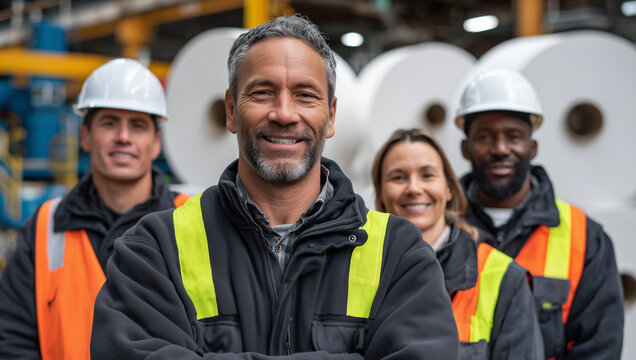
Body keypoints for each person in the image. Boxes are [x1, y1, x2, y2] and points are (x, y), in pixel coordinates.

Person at [90, 15, 460, 359]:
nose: (284, 114)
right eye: (263, 92)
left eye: (305, 95)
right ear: (232, 111)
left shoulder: (399, 255)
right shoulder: (155, 251)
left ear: (330, 116)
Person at [0, 58, 189, 359]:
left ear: (155, 143)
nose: (123, 137)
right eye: (110, 123)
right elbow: (13, 338)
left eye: (137, 125)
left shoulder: (192, 221)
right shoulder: (46, 226)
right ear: (85, 136)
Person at [456, 68, 624, 359]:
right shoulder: (440, 229)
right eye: (484, 137)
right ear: (466, 148)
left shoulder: (585, 239)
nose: (500, 149)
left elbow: (598, 349)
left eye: (514, 136)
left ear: (532, 147)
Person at [371, 128, 543, 359]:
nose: (413, 188)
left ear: (449, 188)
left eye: (427, 175)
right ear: (381, 192)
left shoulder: (504, 278)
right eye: (398, 177)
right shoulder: (355, 269)